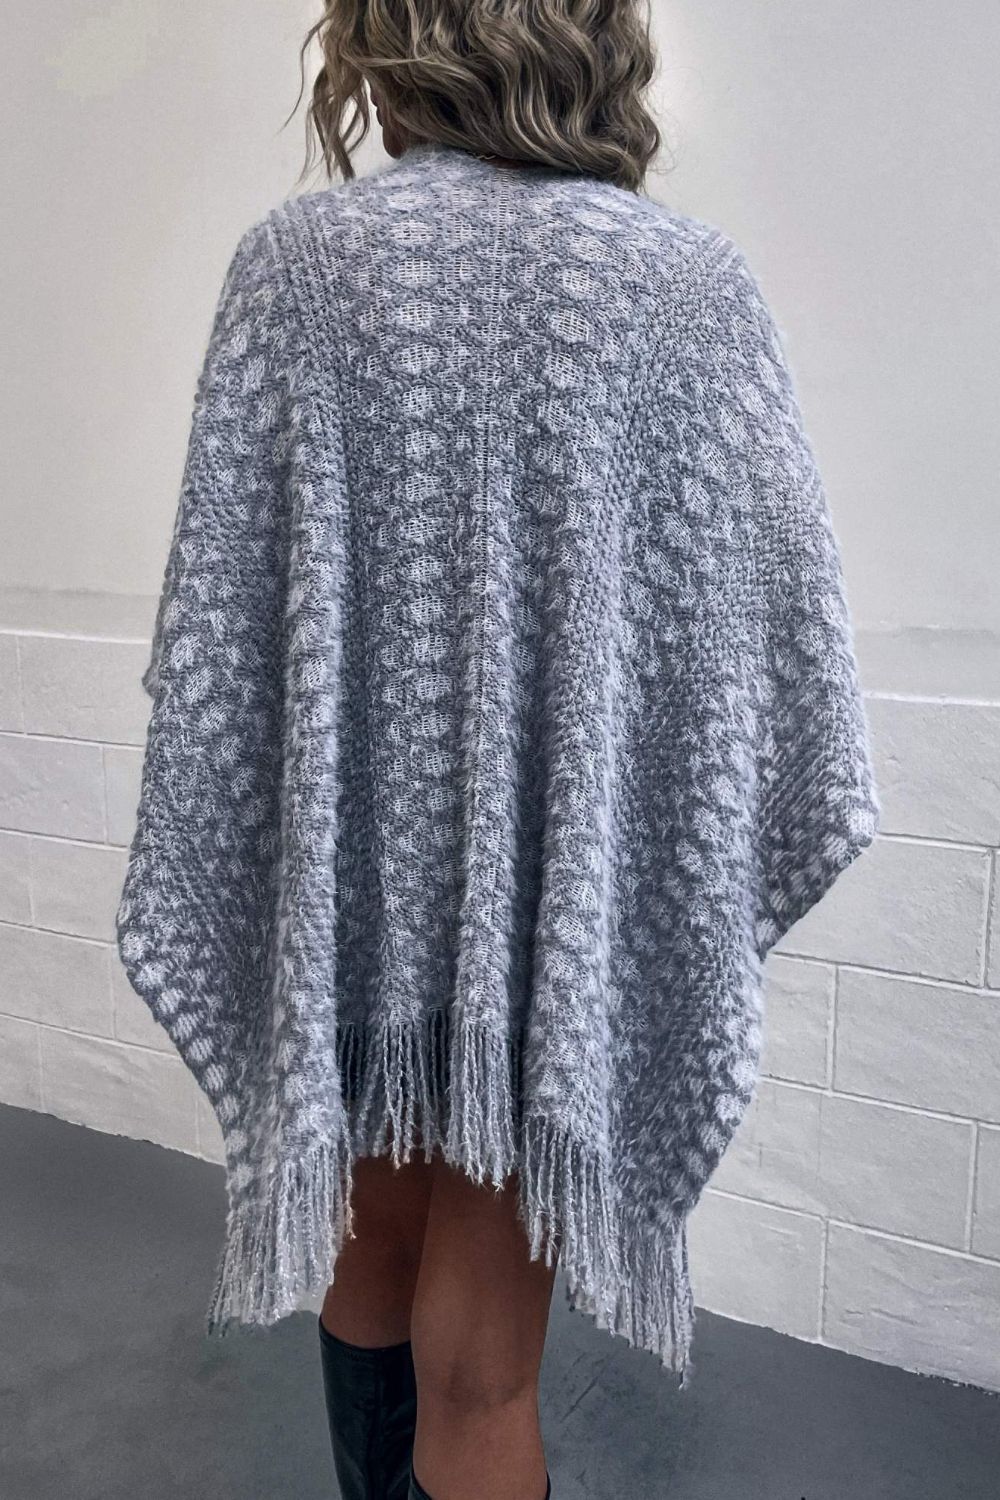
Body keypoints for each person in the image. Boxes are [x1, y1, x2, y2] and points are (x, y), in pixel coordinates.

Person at [116, 4, 879, 1499]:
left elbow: (224, 635)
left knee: (369, 1250)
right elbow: (773, 654)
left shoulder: (295, 268)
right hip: (552, 920)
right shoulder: (686, 288)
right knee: (482, 1364)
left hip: (356, 904)